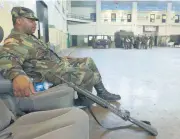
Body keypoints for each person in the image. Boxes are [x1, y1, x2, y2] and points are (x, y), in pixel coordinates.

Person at [0, 7, 120, 106]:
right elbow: (6, 58)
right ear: (19, 21)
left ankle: (101, 92)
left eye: (35, 21)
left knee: (88, 61)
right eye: (31, 20)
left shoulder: (28, 37)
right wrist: (17, 75)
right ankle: (83, 103)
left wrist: (61, 59)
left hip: (57, 65)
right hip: (50, 74)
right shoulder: (14, 40)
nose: (34, 24)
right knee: (86, 73)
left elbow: (43, 54)